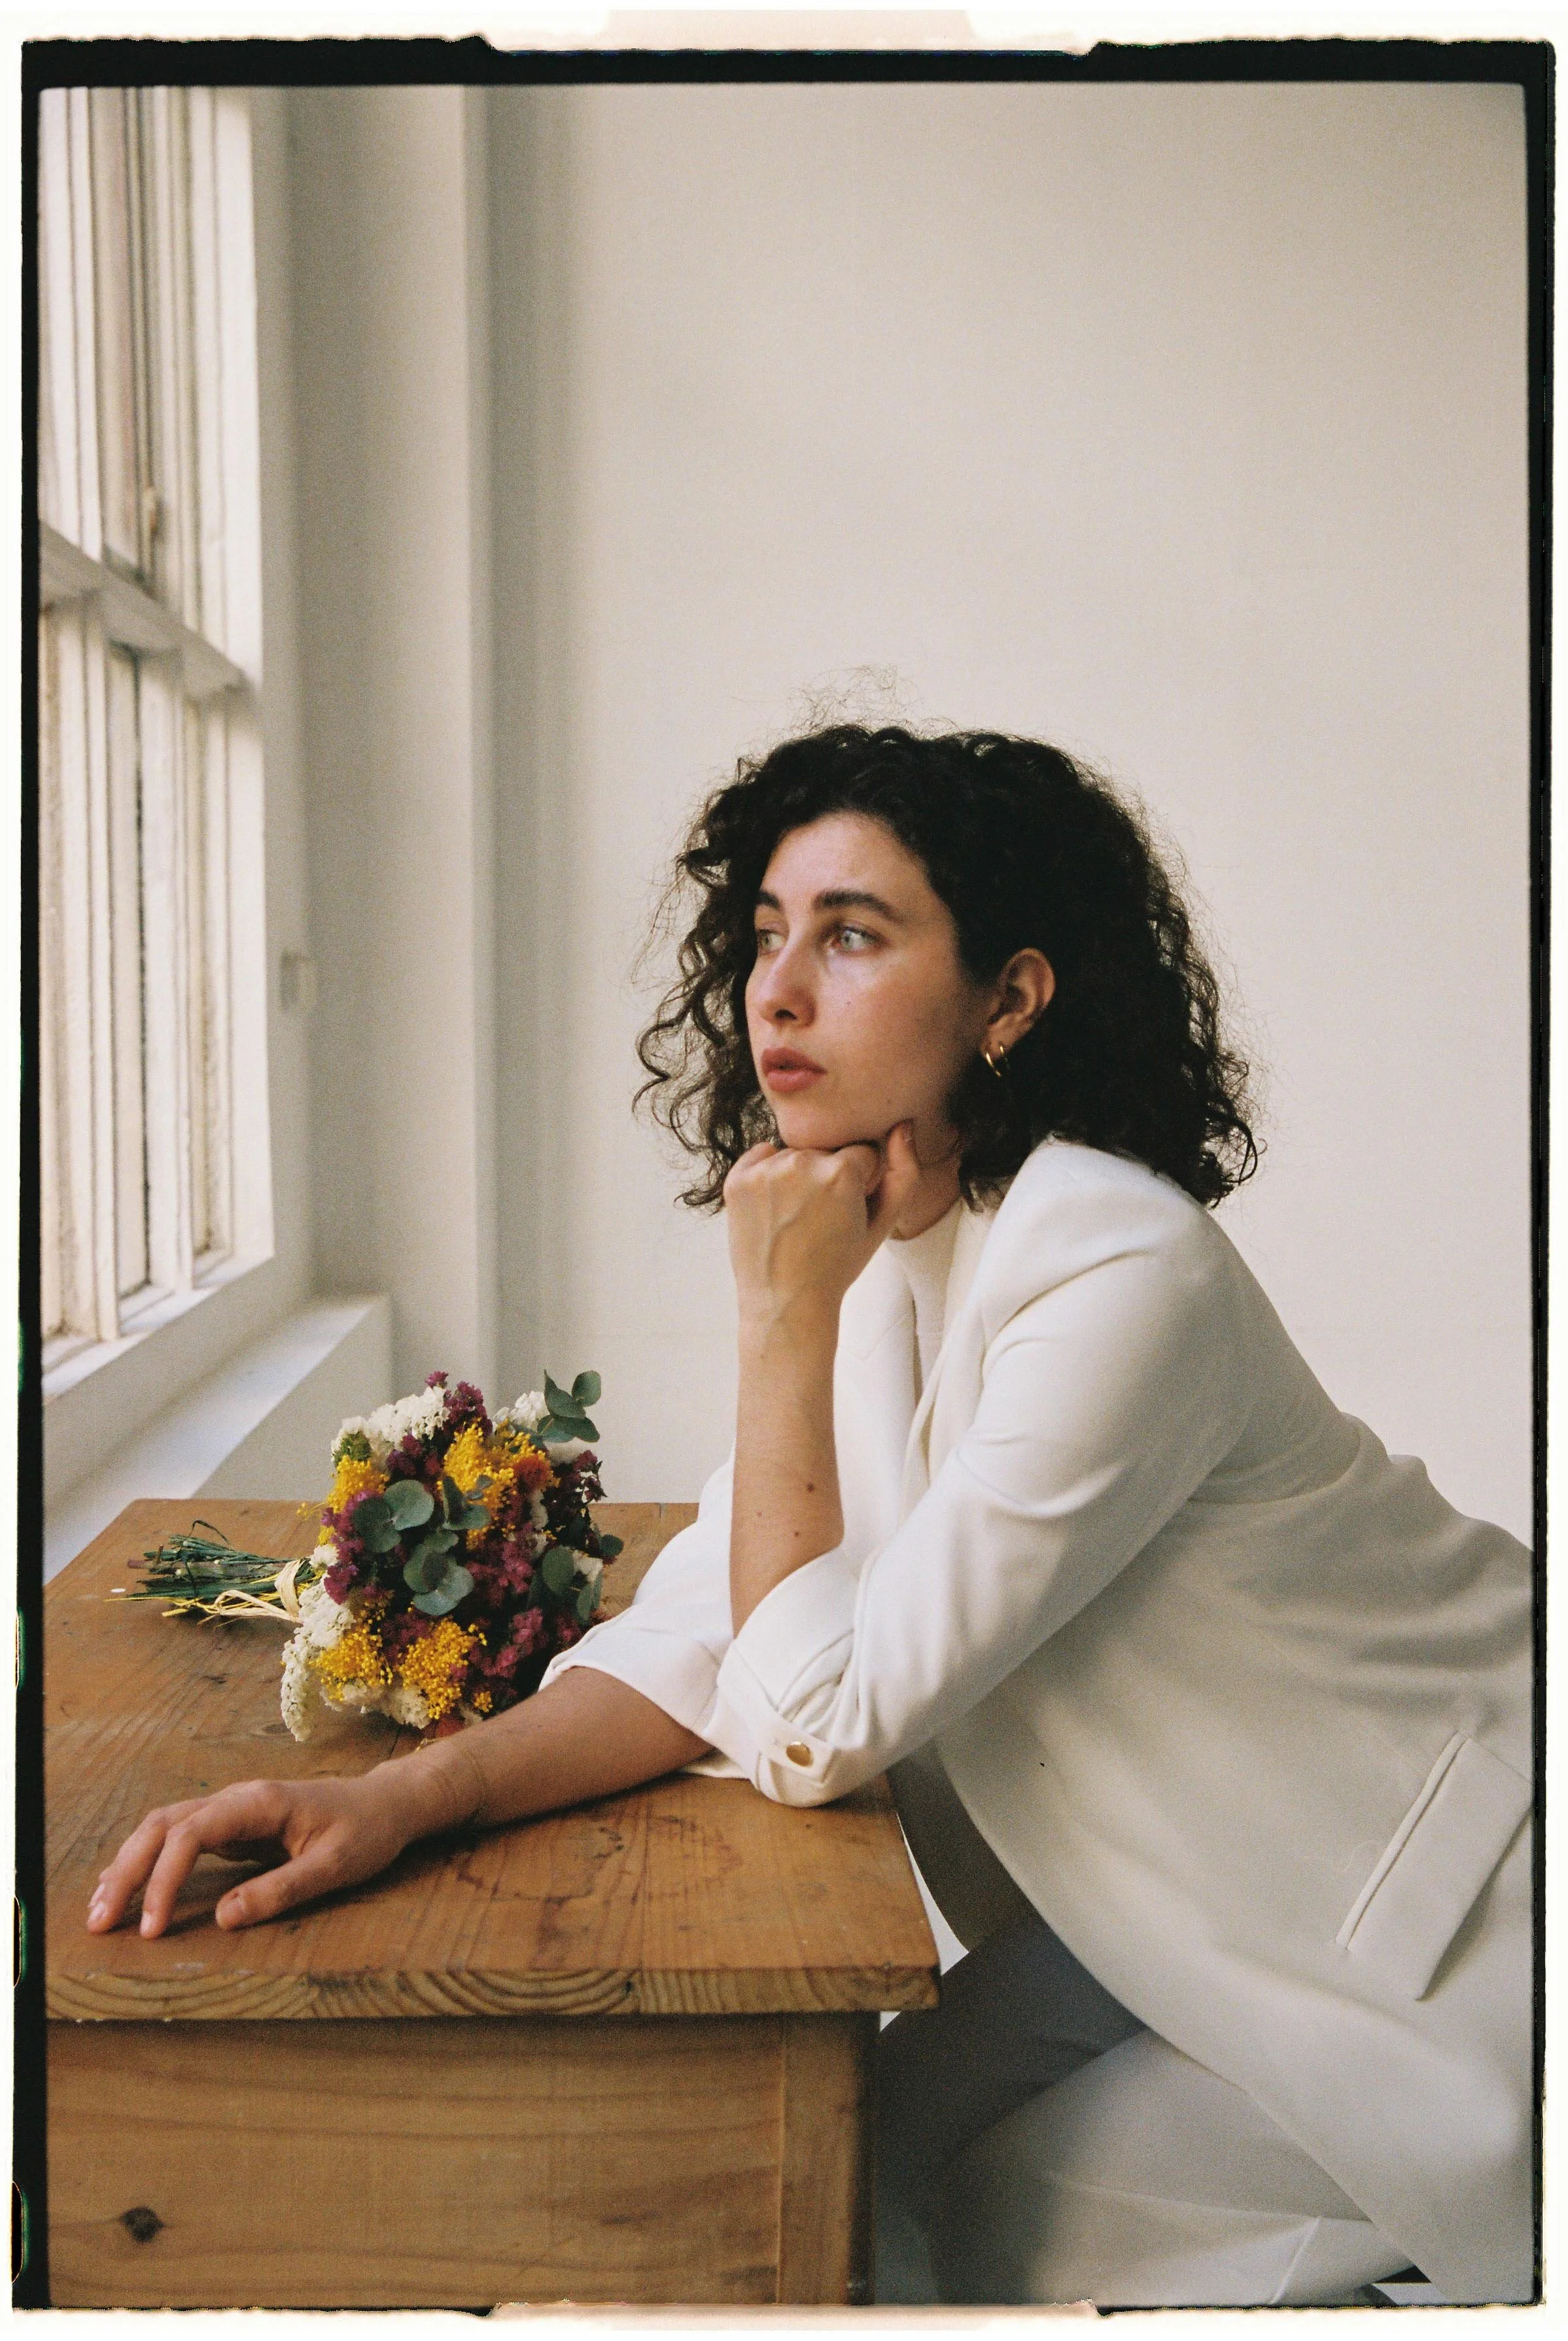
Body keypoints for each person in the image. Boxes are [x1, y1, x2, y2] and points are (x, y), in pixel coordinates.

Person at [89, 725, 1534, 2308]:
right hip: (1180, 1909)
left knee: (948, 2236)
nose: (775, 989)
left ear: (1010, 998)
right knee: (846, 2165)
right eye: (768, 933)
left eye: (851, 934)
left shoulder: (1118, 1263)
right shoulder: (893, 1234)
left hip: (1437, 1931)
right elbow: (723, 1614)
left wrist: (777, 1329)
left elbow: (817, 1718)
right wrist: (411, 1801)